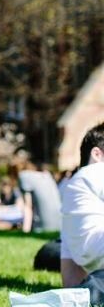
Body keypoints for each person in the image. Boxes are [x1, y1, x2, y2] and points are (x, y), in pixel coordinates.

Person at [61, 123, 104, 304]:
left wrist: (76, 292)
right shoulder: (95, 171)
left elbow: (68, 257)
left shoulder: (72, 190)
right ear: (97, 154)